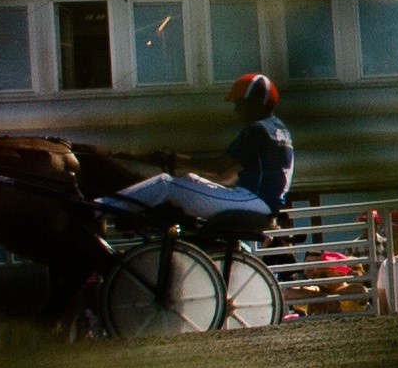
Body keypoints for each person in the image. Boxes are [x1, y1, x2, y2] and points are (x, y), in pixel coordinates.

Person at [104, 71, 295, 241]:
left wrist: (173, 158)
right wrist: (191, 179)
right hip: (260, 202)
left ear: (256, 103)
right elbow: (226, 175)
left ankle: (101, 209)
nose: (236, 109)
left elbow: (218, 167)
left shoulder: (257, 129)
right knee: (189, 180)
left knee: (166, 183)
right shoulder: (277, 128)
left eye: (240, 103)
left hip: (252, 200)